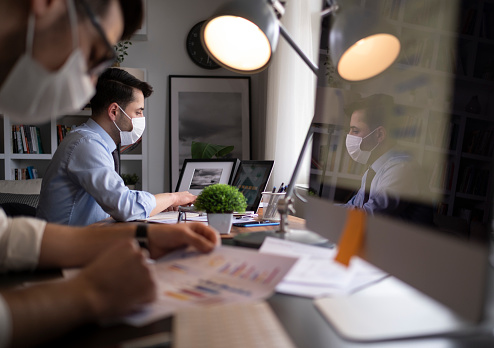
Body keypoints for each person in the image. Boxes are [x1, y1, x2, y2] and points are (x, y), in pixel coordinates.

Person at [0, 1, 219, 347]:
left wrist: (142, 238)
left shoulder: (99, 145)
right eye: (95, 53)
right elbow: (126, 206)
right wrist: (90, 293)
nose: (88, 84)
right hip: (58, 270)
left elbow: (9, 239)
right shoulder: (85, 144)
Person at [37, 68, 196, 226]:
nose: (142, 118)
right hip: (66, 247)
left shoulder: (96, 143)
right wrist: (173, 198)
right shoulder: (87, 144)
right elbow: (125, 207)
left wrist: (158, 205)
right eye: (138, 112)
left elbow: (116, 203)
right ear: (114, 111)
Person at [343, 94, 433, 224]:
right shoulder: (373, 170)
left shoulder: (402, 169)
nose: (349, 136)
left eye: (355, 131)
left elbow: (367, 215)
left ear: (379, 134)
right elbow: (352, 207)